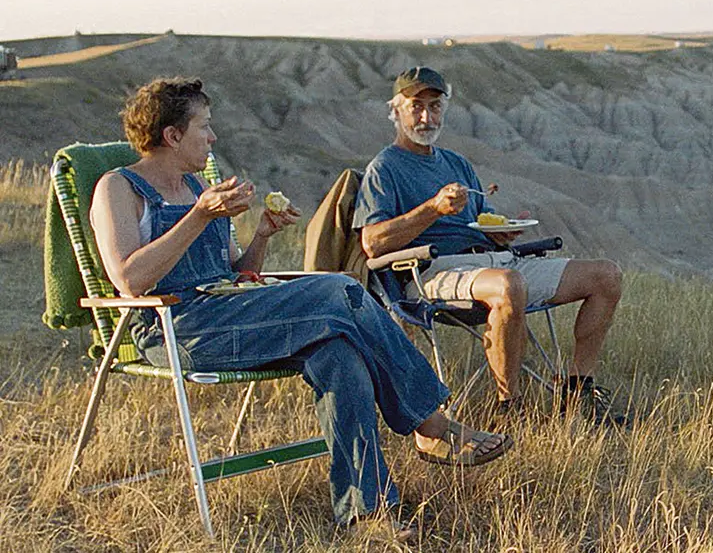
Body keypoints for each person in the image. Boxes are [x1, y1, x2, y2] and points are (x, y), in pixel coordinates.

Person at [89, 76, 513, 541]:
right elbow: (129, 279)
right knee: (339, 289)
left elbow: (236, 274)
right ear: (172, 136)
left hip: (233, 314)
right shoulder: (119, 188)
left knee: (339, 354)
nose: (212, 138)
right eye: (204, 128)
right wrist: (200, 217)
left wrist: (262, 235)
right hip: (178, 328)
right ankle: (429, 423)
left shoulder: (195, 188)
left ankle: (365, 515)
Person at [353, 67, 626, 425]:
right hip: (431, 271)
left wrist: (502, 230)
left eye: (434, 107)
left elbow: (483, 221)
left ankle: (577, 393)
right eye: (416, 106)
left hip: (495, 260)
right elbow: (372, 243)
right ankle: (508, 409)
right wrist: (432, 209)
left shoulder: (457, 164)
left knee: (606, 275)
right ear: (397, 110)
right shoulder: (384, 168)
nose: (426, 116)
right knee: (508, 284)